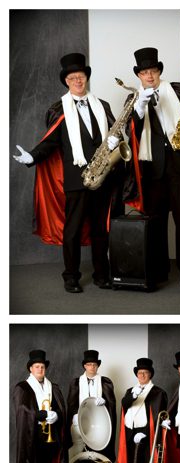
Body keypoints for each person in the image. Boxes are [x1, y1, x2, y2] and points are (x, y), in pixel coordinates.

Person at [12, 52, 122, 293]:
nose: (77, 81)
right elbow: (50, 142)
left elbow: (115, 132)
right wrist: (32, 155)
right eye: (72, 78)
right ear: (66, 81)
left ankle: (101, 274)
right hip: (76, 179)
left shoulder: (101, 106)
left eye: (80, 76)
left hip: (102, 176)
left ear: (86, 78)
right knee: (72, 230)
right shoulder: (60, 108)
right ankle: (71, 276)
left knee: (100, 230)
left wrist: (115, 141)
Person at [125, 47, 180, 295]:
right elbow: (130, 131)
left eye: (153, 70)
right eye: (144, 72)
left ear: (159, 71)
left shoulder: (178, 91)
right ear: (139, 76)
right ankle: (155, 273)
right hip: (152, 171)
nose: (149, 76)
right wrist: (140, 108)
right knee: (154, 225)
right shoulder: (133, 99)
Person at [13, 350, 68, 463]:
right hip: (32, 435)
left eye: (42, 366)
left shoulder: (53, 387)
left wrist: (56, 414)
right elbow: (22, 409)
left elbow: (59, 407)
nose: (40, 369)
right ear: (31, 368)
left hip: (50, 434)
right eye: (37, 366)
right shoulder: (23, 387)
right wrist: (43, 415)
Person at [118, 357, 171, 463]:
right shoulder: (130, 391)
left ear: (150, 375)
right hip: (131, 434)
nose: (142, 375)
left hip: (148, 434)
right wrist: (133, 395)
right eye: (140, 373)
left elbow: (159, 416)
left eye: (145, 373)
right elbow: (124, 405)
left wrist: (145, 433)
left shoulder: (158, 392)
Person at [67, 349, 116, 461]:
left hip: (97, 426)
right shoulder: (76, 382)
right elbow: (71, 403)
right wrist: (75, 415)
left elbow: (112, 405)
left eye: (94, 365)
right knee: (79, 455)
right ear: (85, 366)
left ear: (98, 366)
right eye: (89, 364)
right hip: (80, 424)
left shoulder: (105, 383)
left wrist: (105, 402)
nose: (92, 367)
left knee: (96, 457)